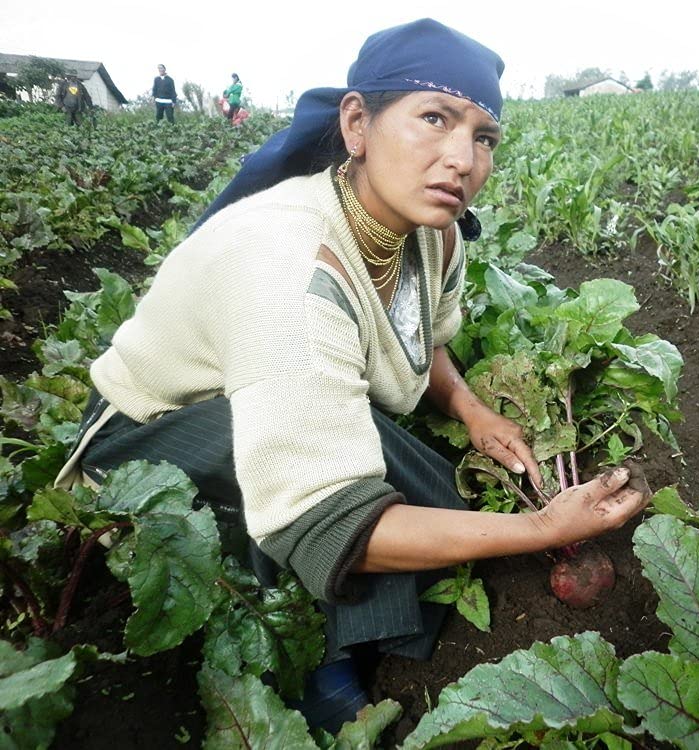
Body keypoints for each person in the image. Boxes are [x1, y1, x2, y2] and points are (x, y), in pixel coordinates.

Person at [55, 18, 649, 735]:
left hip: (270, 385)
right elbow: (339, 521)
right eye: (434, 118)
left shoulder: (434, 233)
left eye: (484, 137)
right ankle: (323, 671)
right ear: (358, 124)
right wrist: (541, 526)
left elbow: (421, 336)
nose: (461, 158)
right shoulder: (284, 267)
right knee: (345, 511)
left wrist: (468, 406)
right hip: (152, 434)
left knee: (426, 487)